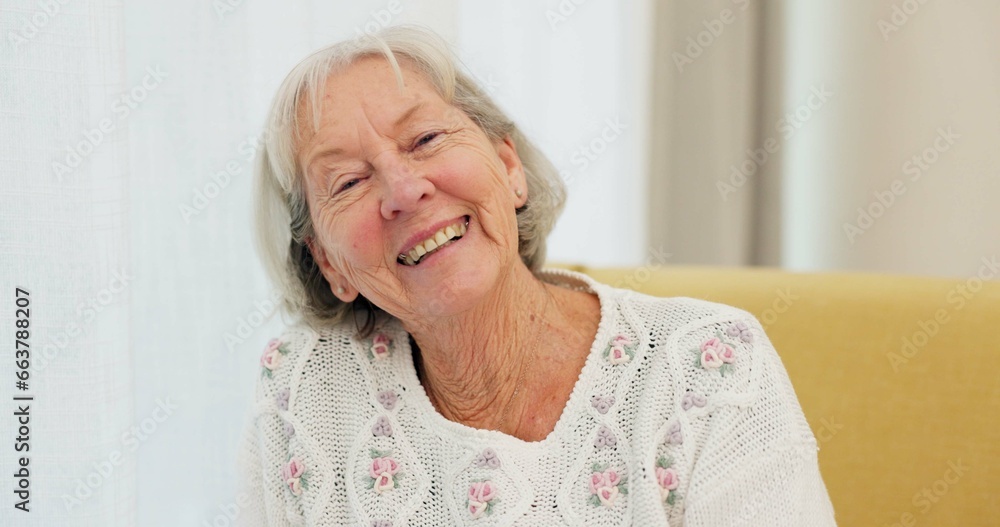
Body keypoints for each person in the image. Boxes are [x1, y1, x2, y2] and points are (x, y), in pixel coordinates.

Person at [237, 25, 837, 526]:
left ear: (508, 166)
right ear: (329, 265)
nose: (404, 190)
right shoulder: (302, 388)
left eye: (424, 139)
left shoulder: (710, 367)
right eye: (348, 182)